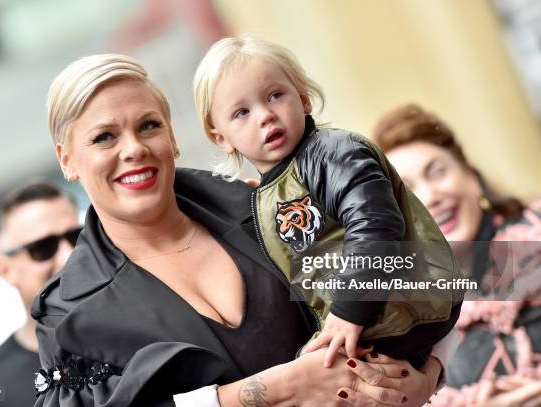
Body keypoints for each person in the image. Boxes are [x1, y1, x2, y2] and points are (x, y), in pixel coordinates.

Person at [31, 54, 448, 407]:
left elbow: (422, 270)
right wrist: (279, 388)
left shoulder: (268, 200)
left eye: (148, 126)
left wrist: (429, 374)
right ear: (66, 159)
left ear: (173, 136)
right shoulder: (69, 316)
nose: (134, 149)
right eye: (104, 137)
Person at [192, 36, 461, 370]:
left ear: (303, 98)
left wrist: (348, 311)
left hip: (401, 308)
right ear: (220, 137)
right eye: (242, 112)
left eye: (275, 95)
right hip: (370, 316)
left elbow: (376, 226)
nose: (265, 116)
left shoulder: (333, 154)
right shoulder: (271, 189)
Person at [372, 103, 541, 406]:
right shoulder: (399, 322)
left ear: (469, 175)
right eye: (408, 194)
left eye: (437, 173)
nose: (430, 197)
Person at [0, 181, 81, 407]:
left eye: (76, 237)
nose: (68, 256)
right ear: (4, 269)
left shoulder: (136, 329)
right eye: (42, 247)